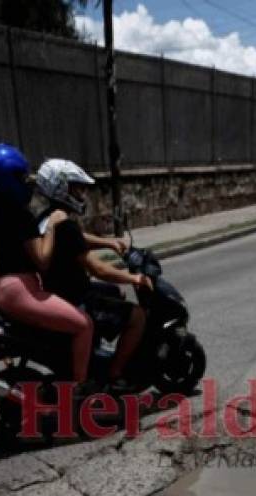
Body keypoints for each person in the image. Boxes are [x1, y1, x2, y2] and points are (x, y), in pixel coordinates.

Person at [0, 143, 94, 389]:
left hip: (3, 287)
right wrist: (53, 224)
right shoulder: (21, 215)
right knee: (83, 325)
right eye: (21, 177)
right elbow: (42, 259)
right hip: (22, 291)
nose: (27, 182)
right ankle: (79, 391)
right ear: (8, 179)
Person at [34, 158, 152, 389]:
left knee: (114, 292)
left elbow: (78, 238)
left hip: (59, 293)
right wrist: (134, 278)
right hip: (76, 298)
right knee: (138, 316)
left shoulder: (48, 218)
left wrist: (109, 243)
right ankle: (115, 375)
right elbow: (97, 269)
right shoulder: (64, 225)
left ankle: (95, 351)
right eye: (77, 188)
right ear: (61, 188)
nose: (82, 194)